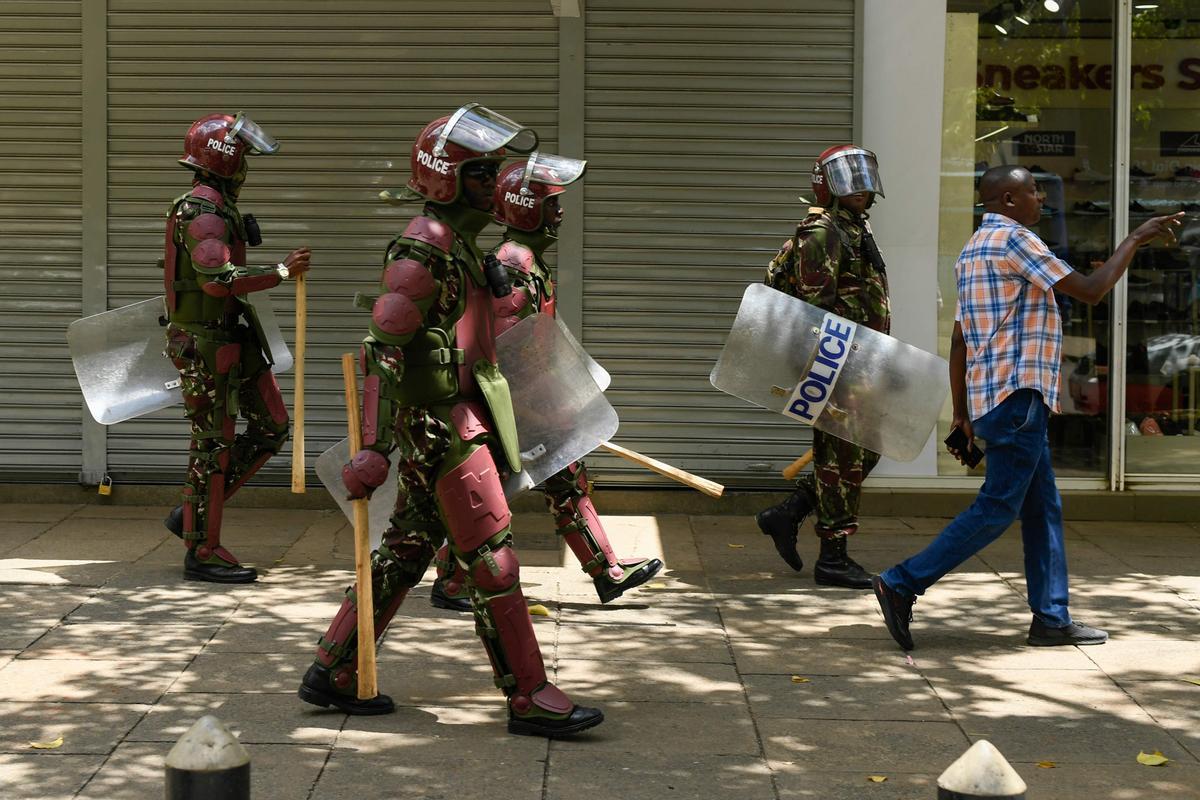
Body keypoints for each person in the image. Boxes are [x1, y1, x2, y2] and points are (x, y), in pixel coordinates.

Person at [298, 105, 603, 738]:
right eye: (483, 173)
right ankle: (528, 695)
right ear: (447, 177)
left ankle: (333, 666)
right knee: (493, 560)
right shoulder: (425, 246)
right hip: (441, 426)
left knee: (407, 550)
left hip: (453, 418)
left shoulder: (462, 248)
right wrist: (372, 447)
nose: (497, 185)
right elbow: (384, 347)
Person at [872, 165, 1183, 650]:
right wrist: (1134, 240)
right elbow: (1092, 288)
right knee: (997, 507)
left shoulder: (972, 251)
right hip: (1017, 398)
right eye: (1035, 191)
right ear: (1010, 200)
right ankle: (903, 581)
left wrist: (962, 412)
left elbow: (959, 341)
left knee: (1042, 508)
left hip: (993, 398)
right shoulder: (1017, 241)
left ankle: (1052, 619)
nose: (1043, 198)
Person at [429, 153, 663, 612]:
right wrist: (536, 412)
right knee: (486, 494)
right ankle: (453, 579)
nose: (560, 213)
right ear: (524, 207)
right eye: (552, 204)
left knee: (564, 479)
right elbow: (504, 348)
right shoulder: (514, 266)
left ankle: (607, 571)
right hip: (505, 406)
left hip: (523, 402)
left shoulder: (526, 261)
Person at [161, 112, 311, 583]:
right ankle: (202, 549)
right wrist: (281, 273)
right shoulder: (203, 213)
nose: (246, 166)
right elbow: (217, 282)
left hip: (232, 337)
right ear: (227, 161)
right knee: (212, 445)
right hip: (207, 345)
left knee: (272, 427)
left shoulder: (217, 209)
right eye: (243, 156)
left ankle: (193, 513)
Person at [755, 145, 890, 589]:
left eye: (863, 178)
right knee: (840, 459)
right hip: (838, 365)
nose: (859, 188)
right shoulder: (822, 231)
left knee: (861, 454)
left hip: (860, 362)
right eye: (848, 180)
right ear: (826, 185)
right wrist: (828, 371)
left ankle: (788, 514)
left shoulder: (854, 227)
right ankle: (833, 557)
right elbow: (816, 309)